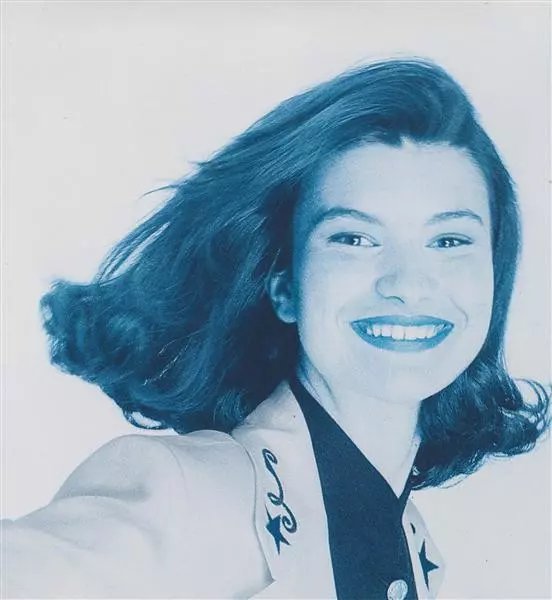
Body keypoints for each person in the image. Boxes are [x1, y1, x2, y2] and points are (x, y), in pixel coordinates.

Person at [2, 57, 549, 599]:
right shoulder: (192, 496)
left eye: (449, 241)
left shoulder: (414, 550)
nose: (408, 284)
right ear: (285, 287)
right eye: (354, 239)